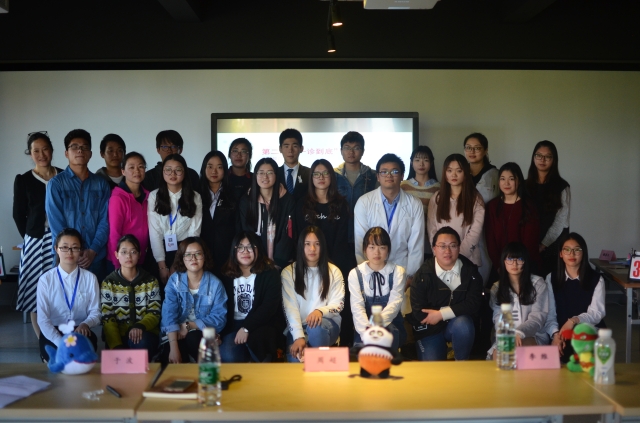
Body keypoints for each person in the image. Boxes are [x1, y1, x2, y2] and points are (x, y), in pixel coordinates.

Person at [295, 159, 351, 345]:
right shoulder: (302, 204)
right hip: (308, 265)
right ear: (311, 178)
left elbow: (342, 239)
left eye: (325, 173)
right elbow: (300, 238)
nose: (321, 177)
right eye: (316, 174)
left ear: (332, 177)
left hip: (335, 264)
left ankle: (342, 342)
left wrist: (330, 266)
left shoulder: (341, 204)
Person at [13, 131, 63, 339]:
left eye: (45, 149)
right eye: (36, 151)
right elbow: (18, 214)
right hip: (35, 241)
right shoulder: (23, 180)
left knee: (60, 289)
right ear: (30, 153)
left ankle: (61, 338)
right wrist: (31, 237)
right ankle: (43, 341)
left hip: (61, 240)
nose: (41, 154)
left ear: (51, 150)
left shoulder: (63, 176)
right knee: (36, 292)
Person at [45, 129, 111, 281]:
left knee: (95, 295)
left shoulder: (101, 184)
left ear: (90, 154)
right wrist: (72, 251)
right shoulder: (56, 184)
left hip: (94, 258)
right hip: (65, 258)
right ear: (66, 153)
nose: (80, 150)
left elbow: (105, 220)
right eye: (74, 147)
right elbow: (56, 223)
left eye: (84, 147)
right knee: (63, 296)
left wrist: (93, 250)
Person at [409, 226, 483, 361]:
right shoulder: (422, 275)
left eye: (452, 246)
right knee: (434, 370)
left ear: (459, 248)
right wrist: (445, 314)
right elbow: (419, 312)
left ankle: (461, 363)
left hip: (457, 324)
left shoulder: (471, 272)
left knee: (464, 325)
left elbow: (474, 304)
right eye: (442, 246)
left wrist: (440, 314)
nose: (447, 251)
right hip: (429, 329)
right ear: (434, 249)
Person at [354, 153, 424, 282]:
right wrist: (367, 274)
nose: (389, 175)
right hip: (371, 272)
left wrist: (410, 276)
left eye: (395, 171)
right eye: (384, 172)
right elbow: (360, 243)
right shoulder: (364, 202)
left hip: (402, 271)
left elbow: (416, 245)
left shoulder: (414, 204)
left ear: (402, 176)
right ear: (378, 176)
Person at [282, 226, 345, 362]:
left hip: (326, 325)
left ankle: (317, 364)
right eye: (307, 244)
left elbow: (338, 304)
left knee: (316, 329)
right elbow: (290, 308)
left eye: (317, 244)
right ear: (301, 246)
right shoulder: (288, 272)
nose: (312, 249)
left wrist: (320, 311)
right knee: (297, 365)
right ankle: (317, 360)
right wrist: (299, 337)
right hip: (298, 329)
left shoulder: (334, 271)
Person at [37, 228, 101, 362]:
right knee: (57, 358)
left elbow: (96, 312)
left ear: (81, 250)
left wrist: (86, 324)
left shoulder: (90, 278)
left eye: (75, 248)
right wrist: (61, 342)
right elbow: (43, 320)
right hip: (54, 331)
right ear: (56, 249)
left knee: (81, 357)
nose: (70, 252)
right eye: (64, 247)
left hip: (80, 330)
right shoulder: (45, 280)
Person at [219, 231, 284, 362]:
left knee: (259, 346)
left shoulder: (270, 273)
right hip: (234, 324)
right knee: (228, 354)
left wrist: (246, 327)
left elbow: (269, 307)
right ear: (234, 250)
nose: (245, 251)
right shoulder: (225, 274)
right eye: (240, 247)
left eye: (250, 247)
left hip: (262, 324)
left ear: (258, 249)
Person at [160, 237, 227, 364]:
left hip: (201, 333)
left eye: (198, 254)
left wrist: (189, 325)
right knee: (172, 357)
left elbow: (219, 319)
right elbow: (169, 314)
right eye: (188, 255)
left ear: (204, 256)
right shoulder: (174, 281)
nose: (193, 258)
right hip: (176, 333)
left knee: (194, 338)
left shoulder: (215, 284)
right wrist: (174, 347)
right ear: (182, 258)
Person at [545, 232, 605, 360]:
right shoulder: (551, 278)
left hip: (588, 329)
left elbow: (596, 313)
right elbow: (550, 313)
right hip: (560, 331)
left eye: (577, 250)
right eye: (567, 250)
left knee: (586, 362)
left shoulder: (596, 279)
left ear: (583, 253)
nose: (572, 254)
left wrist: (573, 321)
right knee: (557, 362)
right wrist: (555, 335)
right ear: (561, 254)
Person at [101, 235, 161, 358]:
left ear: (139, 255)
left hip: (145, 333)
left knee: (141, 342)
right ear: (116, 255)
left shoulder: (151, 281)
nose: (128, 256)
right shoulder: (108, 283)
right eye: (124, 252)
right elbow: (108, 318)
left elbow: (154, 313)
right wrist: (116, 345)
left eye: (133, 252)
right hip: (118, 335)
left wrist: (140, 326)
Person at [487, 242, 549, 359]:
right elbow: (498, 318)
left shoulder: (538, 283)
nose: (514, 263)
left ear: (525, 261)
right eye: (510, 259)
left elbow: (537, 318)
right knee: (501, 356)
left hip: (534, 335)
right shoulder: (497, 288)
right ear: (504, 261)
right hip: (506, 336)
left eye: (519, 259)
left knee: (517, 351)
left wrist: (519, 332)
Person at [148, 154, 203, 285]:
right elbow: (155, 233)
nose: (173, 174)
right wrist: (162, 266)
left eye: (178, 170)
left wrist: (177, 264)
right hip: (159, 250)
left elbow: (194, 233)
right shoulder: (154, 196)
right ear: (162, 172)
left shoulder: (195, 197)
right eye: (168, 169)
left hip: (186, 251)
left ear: (184, 172)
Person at [349, 227, 406, 351]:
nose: (377, 252)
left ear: (388, 249)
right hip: (364, 328)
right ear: (365, 250)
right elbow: (357, 307)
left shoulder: (398, 272)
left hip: (391, 324)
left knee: (384, 343)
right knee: (362, 353)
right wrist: (367, 332)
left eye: (382, 247)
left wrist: (376, 327)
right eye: (372, 247)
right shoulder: (355, 274)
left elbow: (394, 304)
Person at [427, 154, 484, 268]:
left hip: (468, 259)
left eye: (459, 171)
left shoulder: (475, 199)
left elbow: (475, 232)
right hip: (442, 259)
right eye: (449, 170)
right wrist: (440, 253)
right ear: (445, 173)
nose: (454, 174)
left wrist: (457, 255)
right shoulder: (437, 198)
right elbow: (431, 228)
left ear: (466, 173)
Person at [239, 157, 295, 269]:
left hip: (282, 262)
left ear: (276, 175)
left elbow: (288, 232)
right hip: (255, 261)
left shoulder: (287, 200)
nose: (265, 176)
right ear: (255, 175)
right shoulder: (247, 200)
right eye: (261, 173)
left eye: (270, 172)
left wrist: (278, 261)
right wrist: (258, 259)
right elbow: (246, 230)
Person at [485, 162, 540, 276]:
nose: (506, 183)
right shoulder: (492, 206)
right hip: (500, 267)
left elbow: (530, 242)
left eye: (511, 179)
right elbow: (490, 241)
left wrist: (517, 265)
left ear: (519, 181)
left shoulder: (528, 206)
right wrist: (499, 266)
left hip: (523, 266)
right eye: (502, 179)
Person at [526, 140, 570, 277]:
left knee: (551, 283)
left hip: (553, 246)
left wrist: (543, 244)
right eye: (539, 155)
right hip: (528, 245)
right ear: (533, 158)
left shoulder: (562, 186)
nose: (542, 160)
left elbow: (561, 221)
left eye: (548, 156)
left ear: (554, 160)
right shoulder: (524, 186)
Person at [334, 131, 377, 261]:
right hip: (339, 233)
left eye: (356, 148)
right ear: (341, 151)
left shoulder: (372, 175)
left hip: (366, 233)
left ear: (363, 151)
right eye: (347, 148)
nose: (351, 152)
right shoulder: (333, 175)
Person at [463, 133, 498, 284]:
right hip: (463, 228)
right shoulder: (460, 172)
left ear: (485, 150)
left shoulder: (494, 175)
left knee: (484, 270)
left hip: (486, 229)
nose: (472, 151)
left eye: (477, 148)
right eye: (468, 147)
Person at [107, 152, 150, 271]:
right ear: (123, 171)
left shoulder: (148, 196)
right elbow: (114, 233)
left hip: (141, 258)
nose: (137, 171)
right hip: (122, 261)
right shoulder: (118, 198)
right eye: (131, 167)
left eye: (141, 166)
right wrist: (118, 265)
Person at [199, 151, 238, 274]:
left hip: (227, 255)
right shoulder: (196, 193)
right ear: (204, 168)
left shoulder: (234, 194)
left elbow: (237, 226)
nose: (214, 171)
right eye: (210, 166)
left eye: (219, 167)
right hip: (201, 255)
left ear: (225, 169)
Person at [400, 145, 440, 255]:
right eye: (417, 160)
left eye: (425, 160)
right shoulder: (403, 186)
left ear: (431, 163)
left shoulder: (438, 188)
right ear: (411, 162)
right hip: (408, 239)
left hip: (431, 239)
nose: (421, 164)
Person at [278, 128, 310, 201]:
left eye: (295, 146)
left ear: (301, 148)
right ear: (280, 149)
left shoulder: (309, 173)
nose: (290, 150)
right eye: (286, 146)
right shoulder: (274, 173)